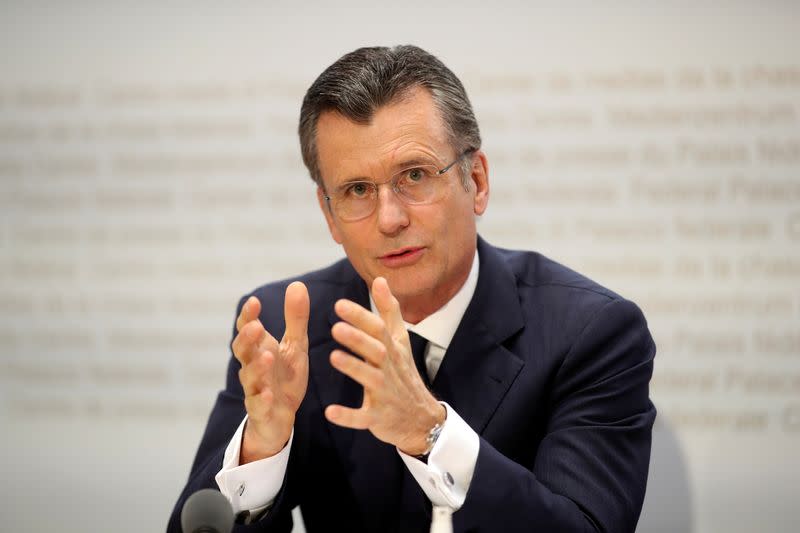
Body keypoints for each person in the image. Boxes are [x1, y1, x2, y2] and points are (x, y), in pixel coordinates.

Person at [167, 45, 656, 533]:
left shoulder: (591, 334)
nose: (390, 219)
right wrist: (263, 450)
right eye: (357, 190)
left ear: (477, 181)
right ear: (329, 214)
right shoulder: (284, 328)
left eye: (414, 176)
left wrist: (431, 433)